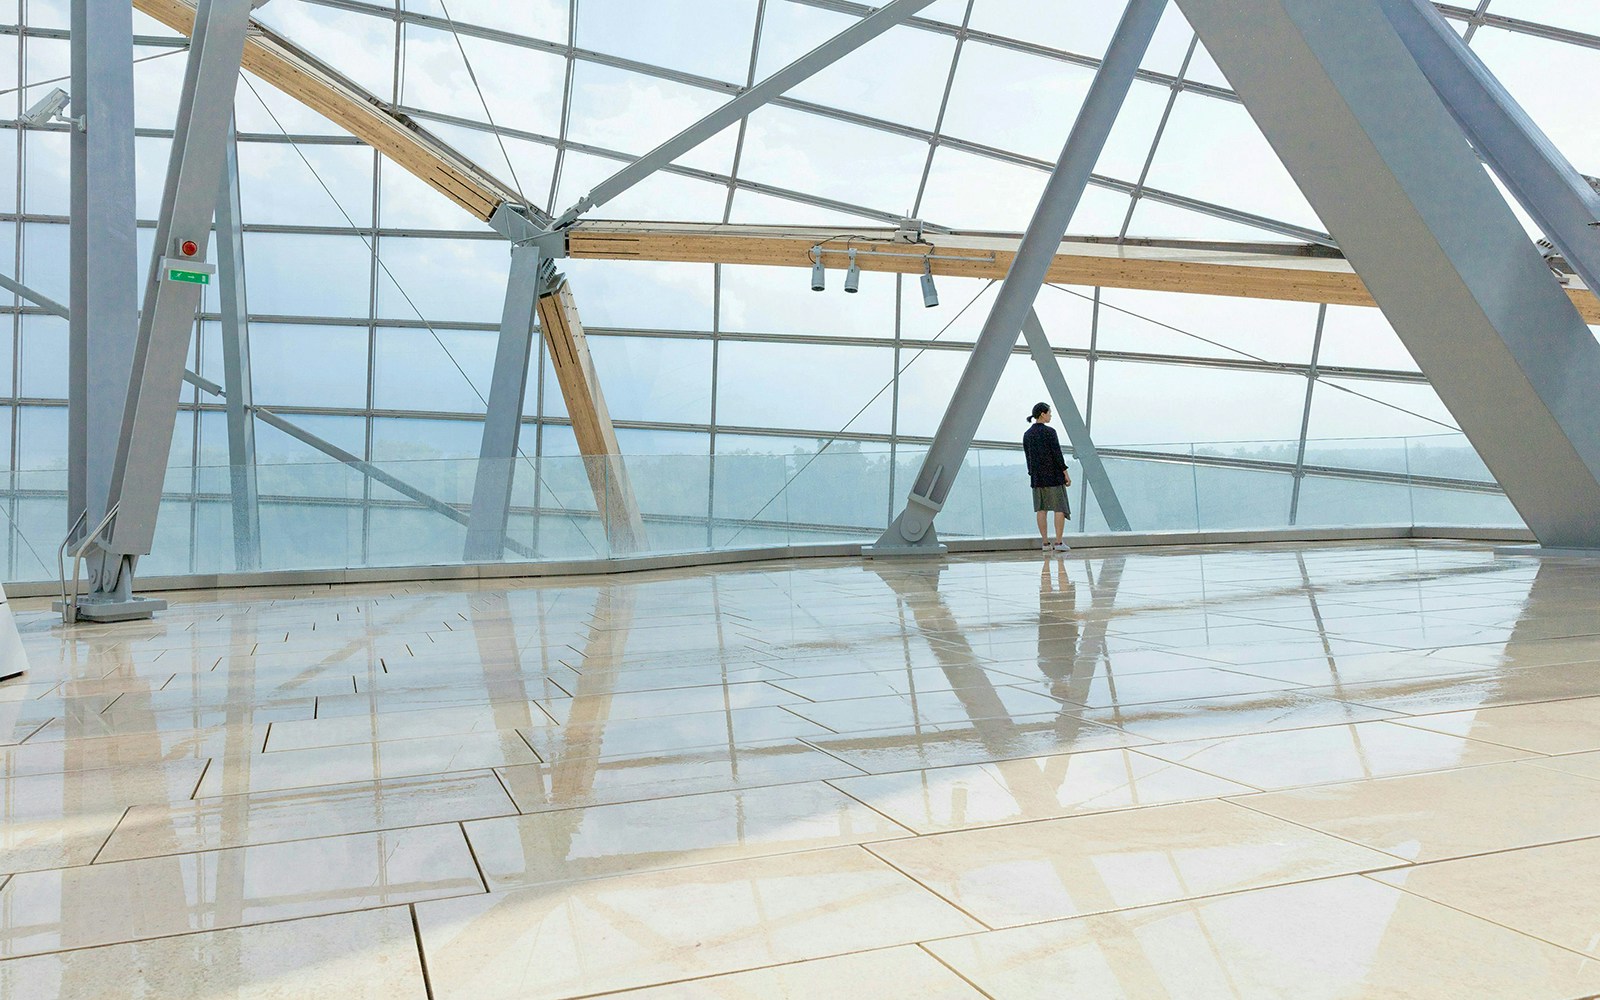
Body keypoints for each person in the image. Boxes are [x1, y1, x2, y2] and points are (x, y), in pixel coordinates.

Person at [1024, 401, 1072, 551]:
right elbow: (1057, 455)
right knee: (1059, 508)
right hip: (1053, 476)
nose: (1050, 415)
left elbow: (1028, 458)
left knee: (1041, 509)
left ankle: (1045, 543)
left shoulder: (1027, 435)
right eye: (1049, 412)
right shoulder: (1050, 432)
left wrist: (1033, 474)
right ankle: (1058, 542)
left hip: (1038, 478)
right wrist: (1065, 474)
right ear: (1042, 414)